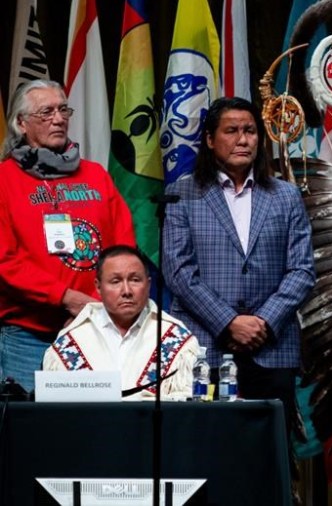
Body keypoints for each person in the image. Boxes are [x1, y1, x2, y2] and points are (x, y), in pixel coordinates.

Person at [162, 97, 313, 429]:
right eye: (231, 131)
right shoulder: (183, 193)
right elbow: (177, 270)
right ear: (210, 139)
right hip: (206, 345)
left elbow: (302, 270)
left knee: (271, 455)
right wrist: (229, 321)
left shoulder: (285, 195)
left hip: (271, 346)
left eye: (250, 130)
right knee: (205, 450)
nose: (243, 140)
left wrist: (263, 322)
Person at [0, 80, 135, 392]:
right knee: (26, 432)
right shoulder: (5, 179)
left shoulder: (96, 175)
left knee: (89, 429)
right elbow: (5, 261)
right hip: (27, 334)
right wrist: (66, 298)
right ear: (21, 123)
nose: (59, 119)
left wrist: (97, 307)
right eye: (46, 112)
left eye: (63, 110)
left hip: (94, 328)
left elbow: (123, 249)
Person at [42, 245, 200, 400]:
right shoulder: (70, 341)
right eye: (115, 281)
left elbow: (186, 405)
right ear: (98, 287)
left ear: (148, 284)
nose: (126, 291)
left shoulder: (176, 338)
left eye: (135, 280)